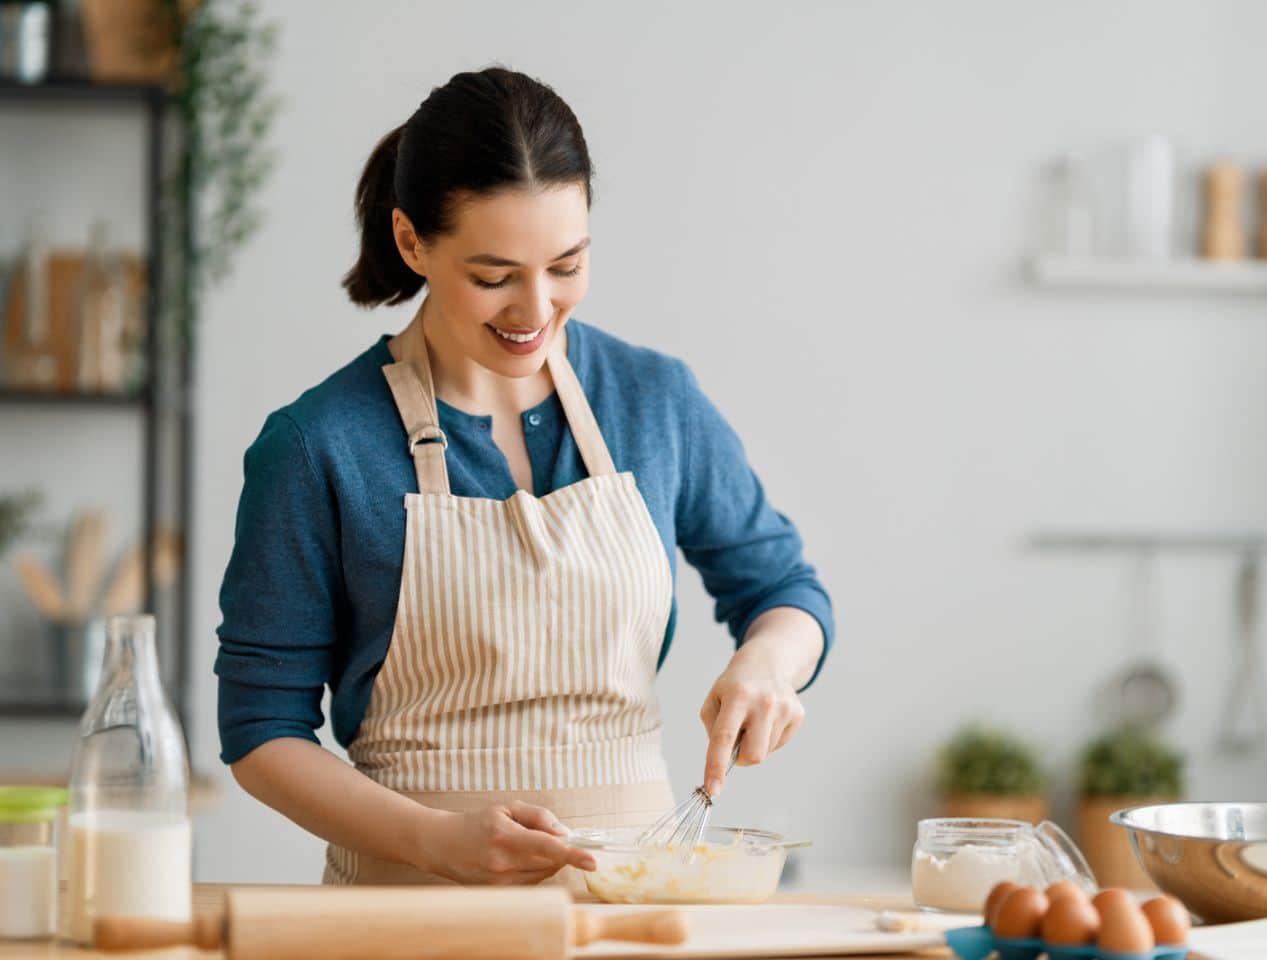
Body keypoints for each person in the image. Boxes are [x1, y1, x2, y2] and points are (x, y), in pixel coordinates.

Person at [214, 66, 833, 888]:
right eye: (494, 276)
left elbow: (785, 589)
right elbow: (262, 732)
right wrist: (437, 841)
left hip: (630, 915)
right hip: (409, 913)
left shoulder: (654, 400)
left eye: (566, 265)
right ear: (411, 243)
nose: (535, 309)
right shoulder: (316, 445)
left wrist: (767, 665)